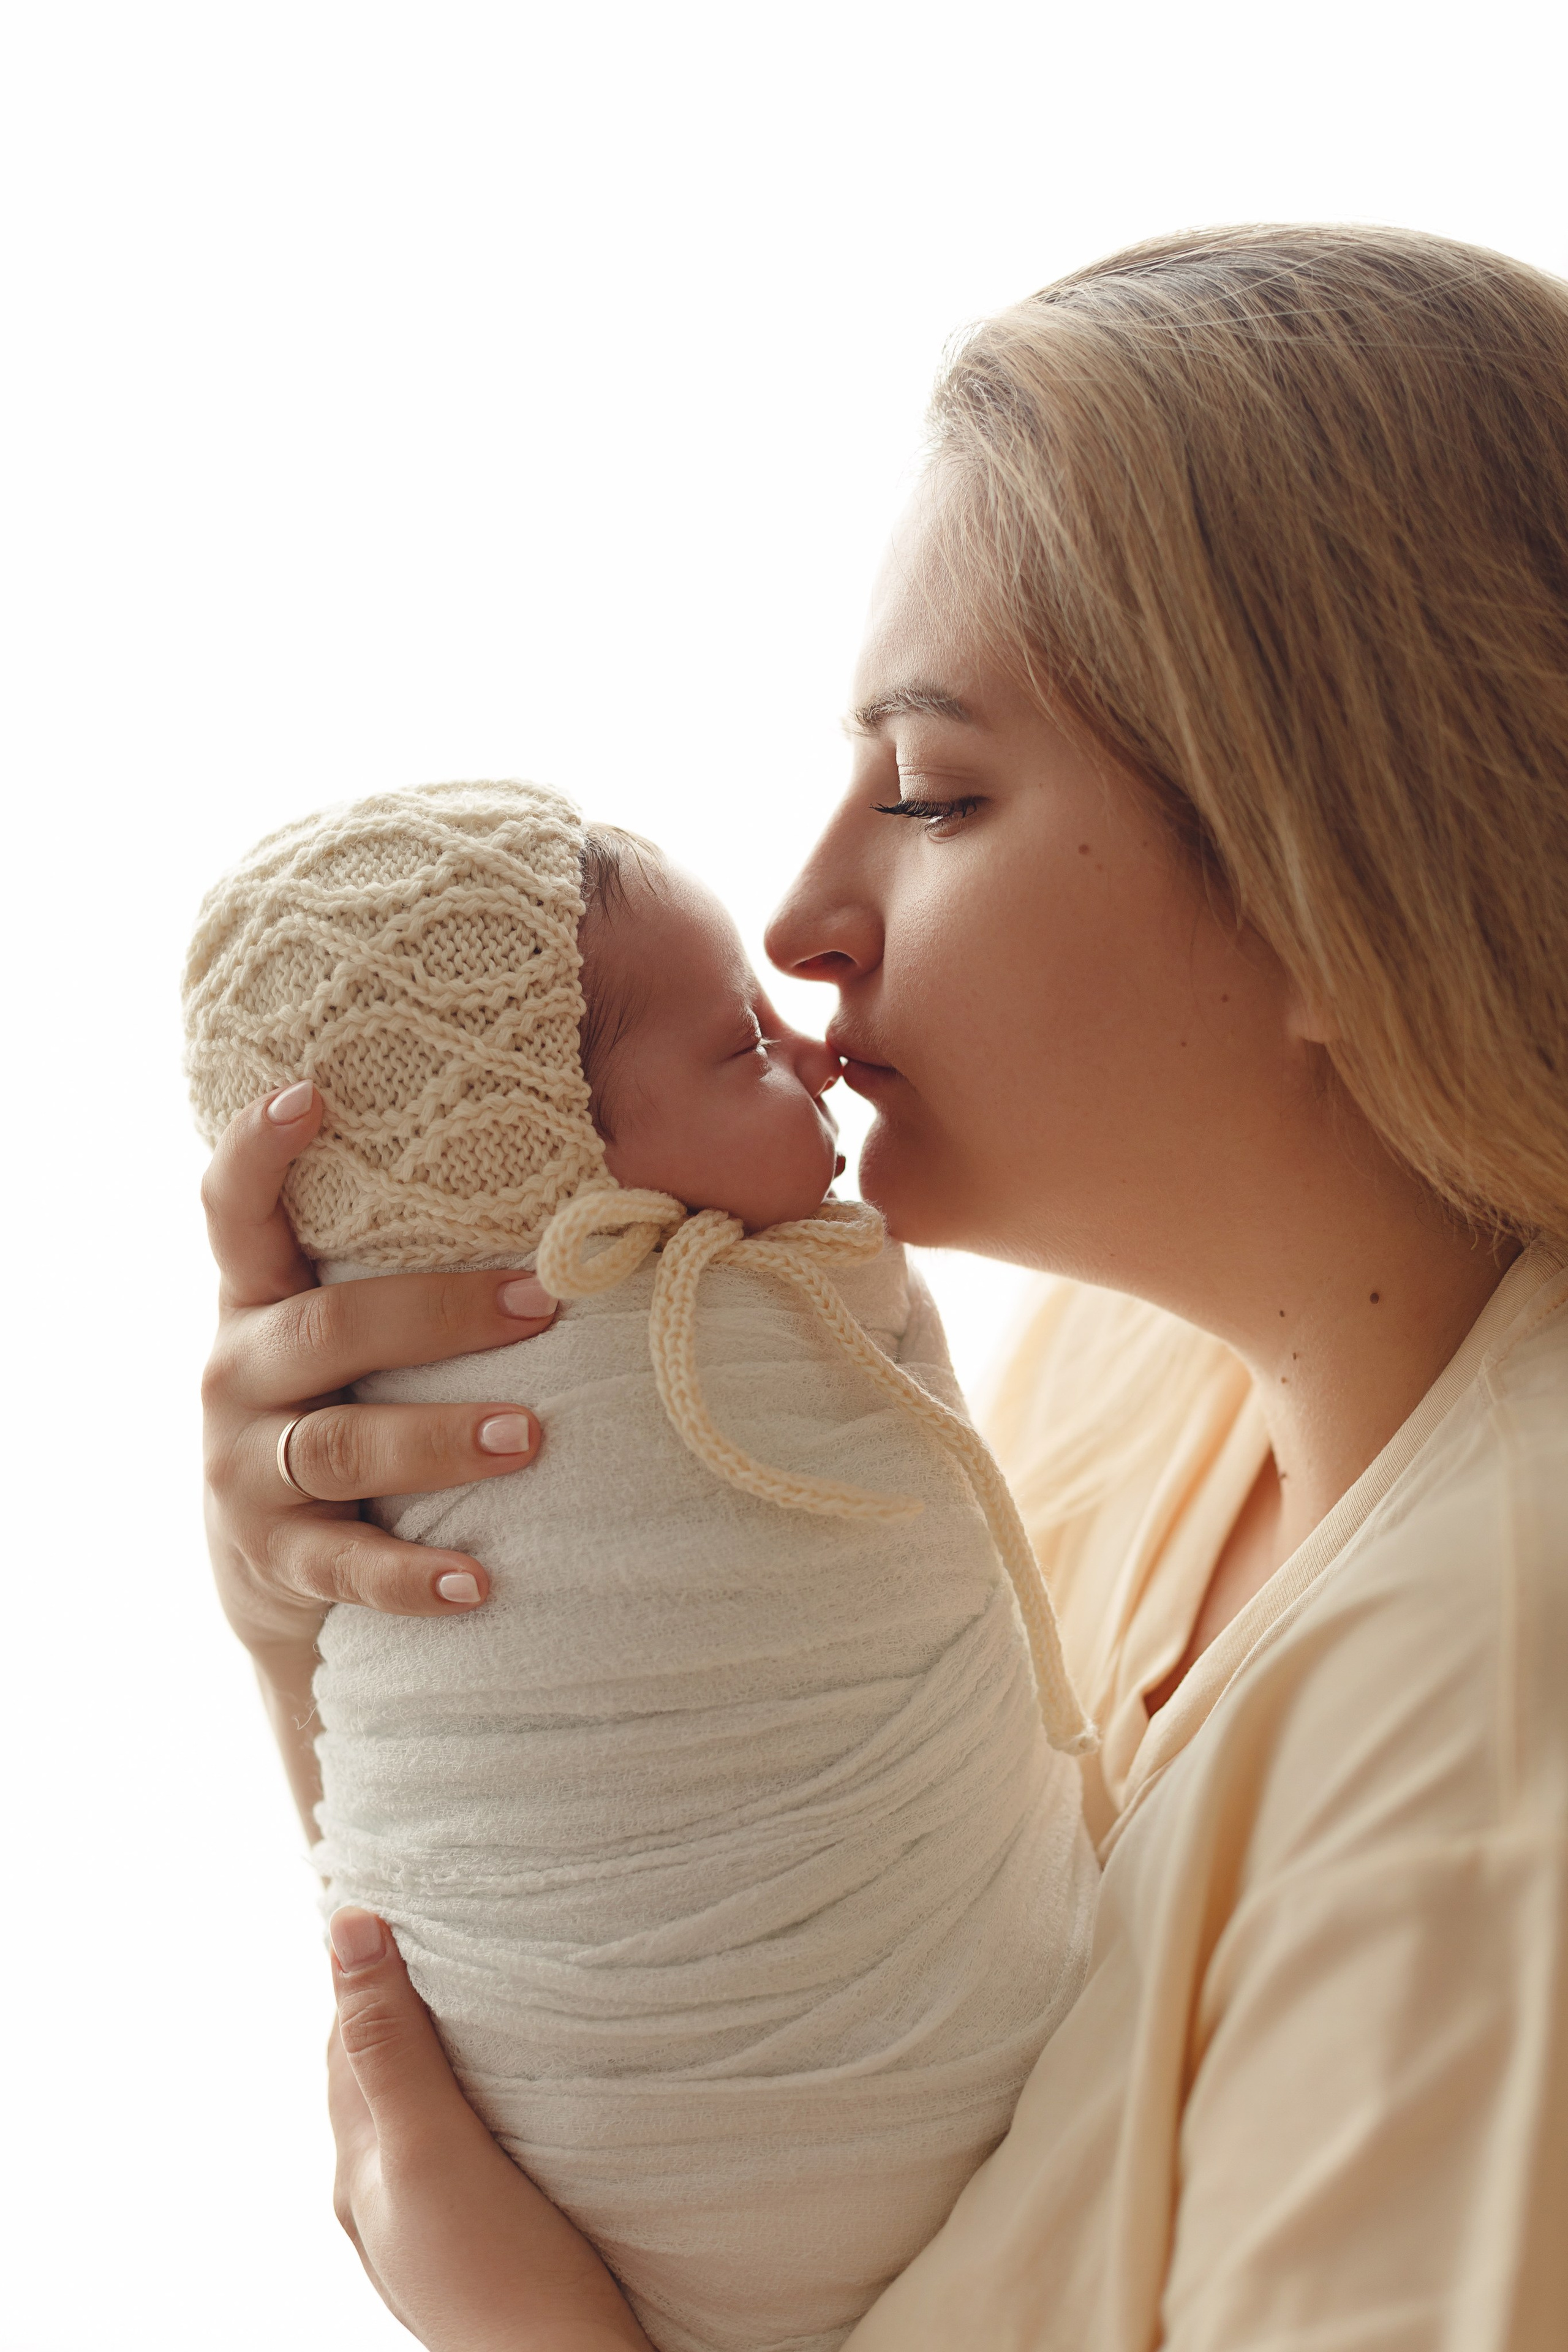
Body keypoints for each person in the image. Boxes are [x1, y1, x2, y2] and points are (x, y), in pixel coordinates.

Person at [197, 223, 1568, 2347]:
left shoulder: (1503, 1719)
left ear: (1333, 877)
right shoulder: (1130, 1383)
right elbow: (703, 2019)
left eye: (937, 792)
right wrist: (341, 1600)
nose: (809, 917)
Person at [183, 778, 1096, 2352]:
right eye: (739, 1049)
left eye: (944, 791)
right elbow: (490, 1795)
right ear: (542, 1161)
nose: (811, 1033)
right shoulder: (1056, 1377)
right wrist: (283, 1626)